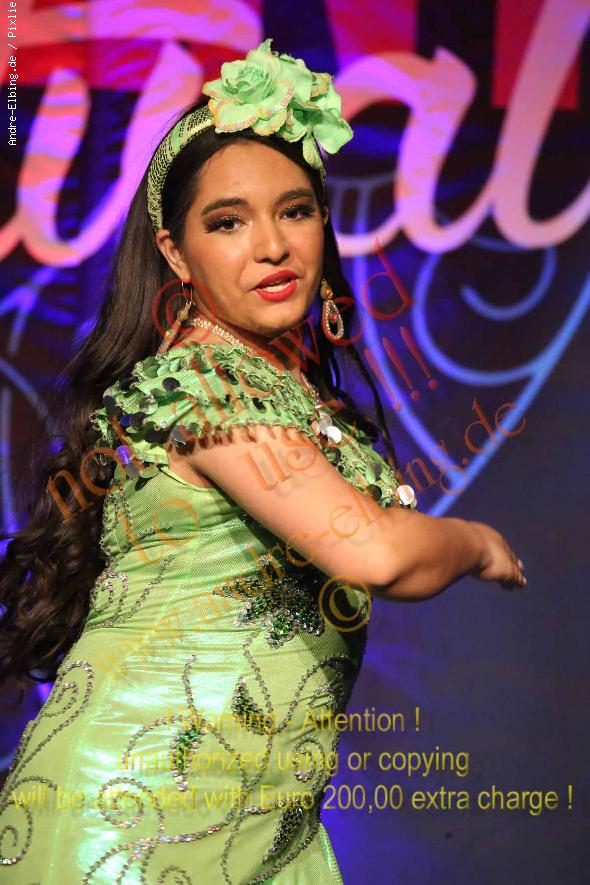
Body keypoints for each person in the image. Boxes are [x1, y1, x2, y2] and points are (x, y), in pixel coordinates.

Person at [0, 38, 526, 884]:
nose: (273, 245)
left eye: (296, 210)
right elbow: (374, 552)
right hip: (133, 823)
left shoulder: (276, 386)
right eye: (228, 222)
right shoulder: (204, 382)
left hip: (260, 829)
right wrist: (476, 541)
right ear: (175, 253)